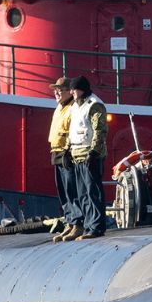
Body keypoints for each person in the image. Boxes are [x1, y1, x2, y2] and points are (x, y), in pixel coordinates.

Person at [64, 76, 109, 239]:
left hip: (90, 155)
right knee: (82, 193)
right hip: (77, 154)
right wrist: (68, 150)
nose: (71, 92)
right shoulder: (75, 106)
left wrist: (94, 152)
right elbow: (73, 129)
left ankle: (96, 226)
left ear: (81, 89)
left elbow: (100, 130)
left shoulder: (94, 105)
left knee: (92, 191)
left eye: (73, 89)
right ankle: (88, 225)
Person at [46, 77, 79, 239]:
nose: (56, 93)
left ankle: (77, 223)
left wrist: (68, 150)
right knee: (63, 191)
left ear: (69, 91)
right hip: (56, 151)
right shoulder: (59, 107)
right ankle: (70, 221)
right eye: (55, 90)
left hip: (66, 152)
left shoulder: (73, 108)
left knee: (71, 189)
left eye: (60, 90)